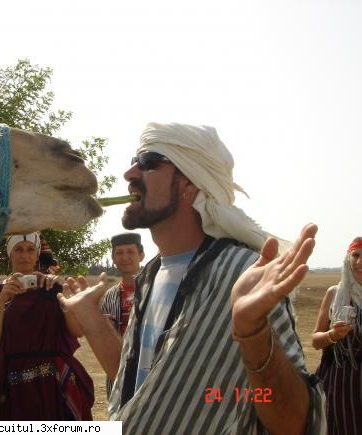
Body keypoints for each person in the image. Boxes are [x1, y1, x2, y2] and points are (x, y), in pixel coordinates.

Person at [58, 122, 326, 434]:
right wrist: (90, 316)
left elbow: (294, 423)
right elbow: (148, 388)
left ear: (189, 184)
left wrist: (252, 332)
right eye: (134, 162)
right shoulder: (149, 277)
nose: (129, 174)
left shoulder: (243, 273)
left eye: (147, 163)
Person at [0, 233, 94, 421]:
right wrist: (2, 301)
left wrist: (60, 294)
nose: (25, 255)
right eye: (19, 250)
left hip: (53, 383)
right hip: (11, 383)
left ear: (37, 254)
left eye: (30, 250)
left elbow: (76, 332)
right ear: (10, 254)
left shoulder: (50, 286)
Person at [313, 237, 362, 434]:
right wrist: (333, 334)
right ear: (347, 259)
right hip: (342, 383)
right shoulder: (335, 294)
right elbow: (316, 340)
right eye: (355, 255)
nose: (359, 263)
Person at [100, 232, 144, 397]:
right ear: (113, 258)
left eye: (130, 252)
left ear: (141, 255)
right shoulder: (109, 296)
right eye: (119, 253)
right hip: (117, 370)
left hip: (149, 367)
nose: (125, 257)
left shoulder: (156, 288)